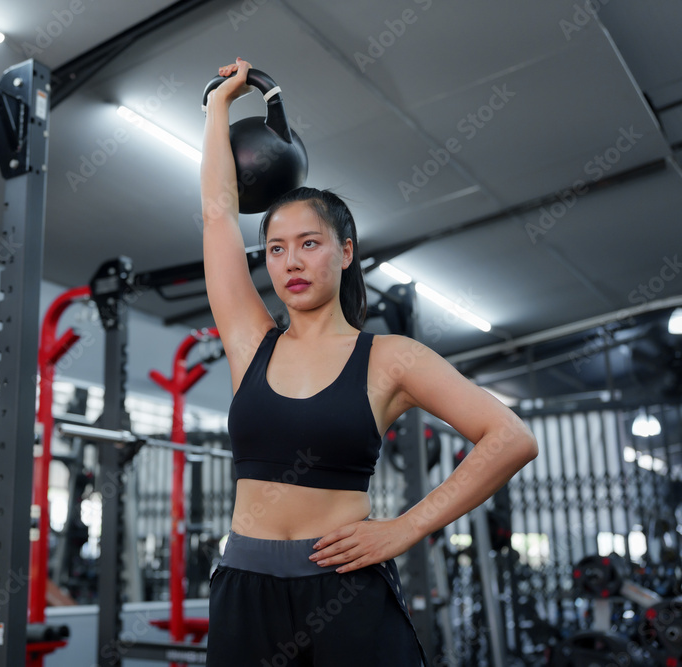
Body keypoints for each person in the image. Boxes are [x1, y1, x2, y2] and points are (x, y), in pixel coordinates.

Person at [201, 57, 539, 667]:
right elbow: (217, 213)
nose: (292, 262)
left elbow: (510, 437)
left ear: (345, 251)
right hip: (243, 588)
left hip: (344, 590)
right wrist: (218, 107)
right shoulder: (251, 341)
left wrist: (405, 528)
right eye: (277, 249)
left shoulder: (390, 358)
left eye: (309, 243)